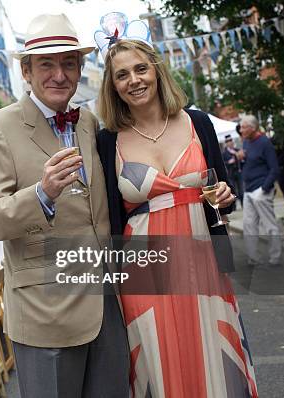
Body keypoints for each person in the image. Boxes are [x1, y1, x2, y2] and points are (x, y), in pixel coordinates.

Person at [94, 27, 258, 397]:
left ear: (156, 71)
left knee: (213, 353)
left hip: (202, 258)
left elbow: (223, 191)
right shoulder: (108, 140)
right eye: (122, 74)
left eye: (140, 69)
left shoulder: (197, 122)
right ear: (112, 85)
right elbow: (107, 213)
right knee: (156, 359)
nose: (133, 80)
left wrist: (225, 196)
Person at [0, 14, 129, 398]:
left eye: (68, 63)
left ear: (79, 69)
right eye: (47, 64)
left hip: (107, 304)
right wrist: (41, 193)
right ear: (26, 71)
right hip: (46, 311)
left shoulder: (88, 121)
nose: (59, 74)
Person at [239, 114, 282, 267]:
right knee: (249, 225)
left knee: (269, 225)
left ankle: (275, 258)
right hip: (248, 190)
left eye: (244, 127)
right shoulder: (246, 143)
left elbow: (274, 169)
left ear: (253, 128)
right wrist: (242, 158)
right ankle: (254, 258)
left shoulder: (265, 143)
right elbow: (249, 164)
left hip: (260, 191)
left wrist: (264, 188)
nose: (241, 130)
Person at [222, 135, 244, 207]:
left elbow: (242, 161)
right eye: (228, 141)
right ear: (226, 143)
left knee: (241, 190)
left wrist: (239, 158)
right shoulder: (224, 153)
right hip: (230, 173)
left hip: (238, 172)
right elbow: (223, 163)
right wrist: (229, 162)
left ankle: (243, 204)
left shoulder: (237, 150)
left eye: (230, 140)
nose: (230, 142)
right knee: (233, 190)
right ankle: (233, 206)